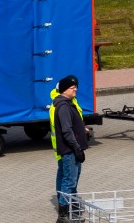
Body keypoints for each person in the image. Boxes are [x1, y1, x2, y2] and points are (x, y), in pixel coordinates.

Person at [49, 74, 90, 221]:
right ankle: (64, 214)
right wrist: (77, 148)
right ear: (65, 90)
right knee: (70, 180)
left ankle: (71, 209)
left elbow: (71, 126)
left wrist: (82, 130)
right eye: (73, 88)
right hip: (69, 150)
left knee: (67, 178)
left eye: (76, 87)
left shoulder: (67, 103)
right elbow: (66, 130)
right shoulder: (63, 106)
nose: (75, 90)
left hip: (68, 149)